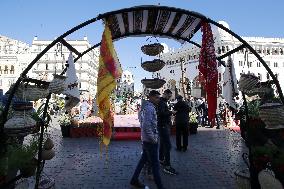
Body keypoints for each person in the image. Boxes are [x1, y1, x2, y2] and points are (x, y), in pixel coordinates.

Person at [130, 90, 165, 189]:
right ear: (151, 97)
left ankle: (134, 180)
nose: (158, 100)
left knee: (142, 161)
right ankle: (160, 186)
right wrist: (153, 138)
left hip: (145, 139)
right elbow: (146, 125)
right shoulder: (150, 108)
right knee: (155, 165)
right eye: (157, 98)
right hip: (150, 141)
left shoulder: (144, 106)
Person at [157, 89, 178, 175]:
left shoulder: (163, 102)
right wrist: (171, 112)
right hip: (163, 125)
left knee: (162, 144)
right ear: (165, 94)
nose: (169, 98)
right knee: (168, 146)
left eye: (170, 96)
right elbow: (161, 113)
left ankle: (161, 159)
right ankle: (167, 166)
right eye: (168, 96)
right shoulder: (162, 102)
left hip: (163, 125)